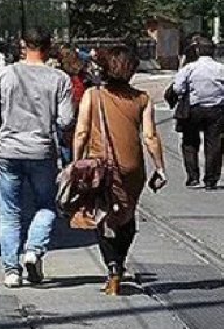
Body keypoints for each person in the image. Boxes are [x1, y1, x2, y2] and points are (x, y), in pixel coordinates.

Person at [0, 26, 74, 289]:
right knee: (46, 205)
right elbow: (66, 121)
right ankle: (33, 250)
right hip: (42, 151)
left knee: (9, 212)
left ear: (23, 45)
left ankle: (11, 271)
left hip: (8, 151)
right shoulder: (60, 79)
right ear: (48, 45)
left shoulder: (4, 75)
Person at [71, 44, 167, 296]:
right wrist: (160, 167)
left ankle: (113, 267)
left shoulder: (93, 95)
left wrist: (75, 162)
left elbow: (81, 132)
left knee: (102, 215)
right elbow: (150, 136)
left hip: (100, 167)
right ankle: (121, 261)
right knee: (127, 214)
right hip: (132, 168)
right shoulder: (142, 99)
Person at [169, 35, 224, 189]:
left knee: (190, 142)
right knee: (215, 144)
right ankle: (211, 179)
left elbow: (177, 88)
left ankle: (193, 177)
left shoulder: (190, 68)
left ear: (198, 50)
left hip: (194, 109)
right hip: (216, 111)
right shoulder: (222, 69)